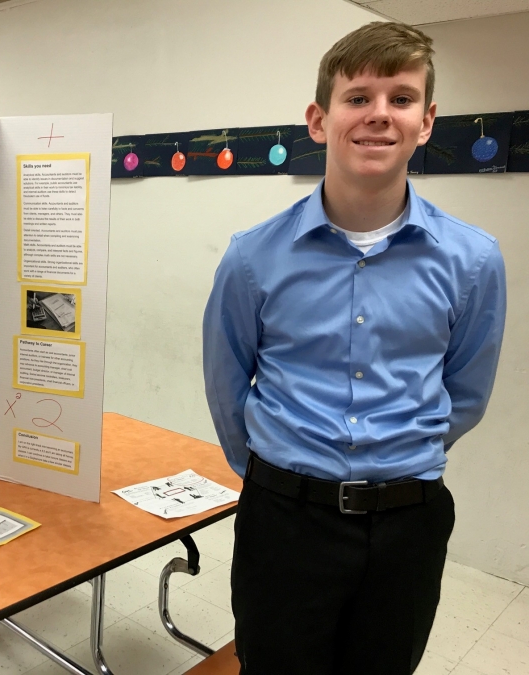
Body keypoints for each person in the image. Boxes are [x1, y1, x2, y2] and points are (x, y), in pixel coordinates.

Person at [202, 21, 507, 675]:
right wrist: (275, 478)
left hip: (409, 524)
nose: (379, 115)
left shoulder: (473, 259)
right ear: (319, 119)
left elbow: (467, 392)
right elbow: (227, 386)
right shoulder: (253, 257)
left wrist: (400, 455)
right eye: (358, 97)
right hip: (284, 521)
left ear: (426, 122)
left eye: (400, 98)